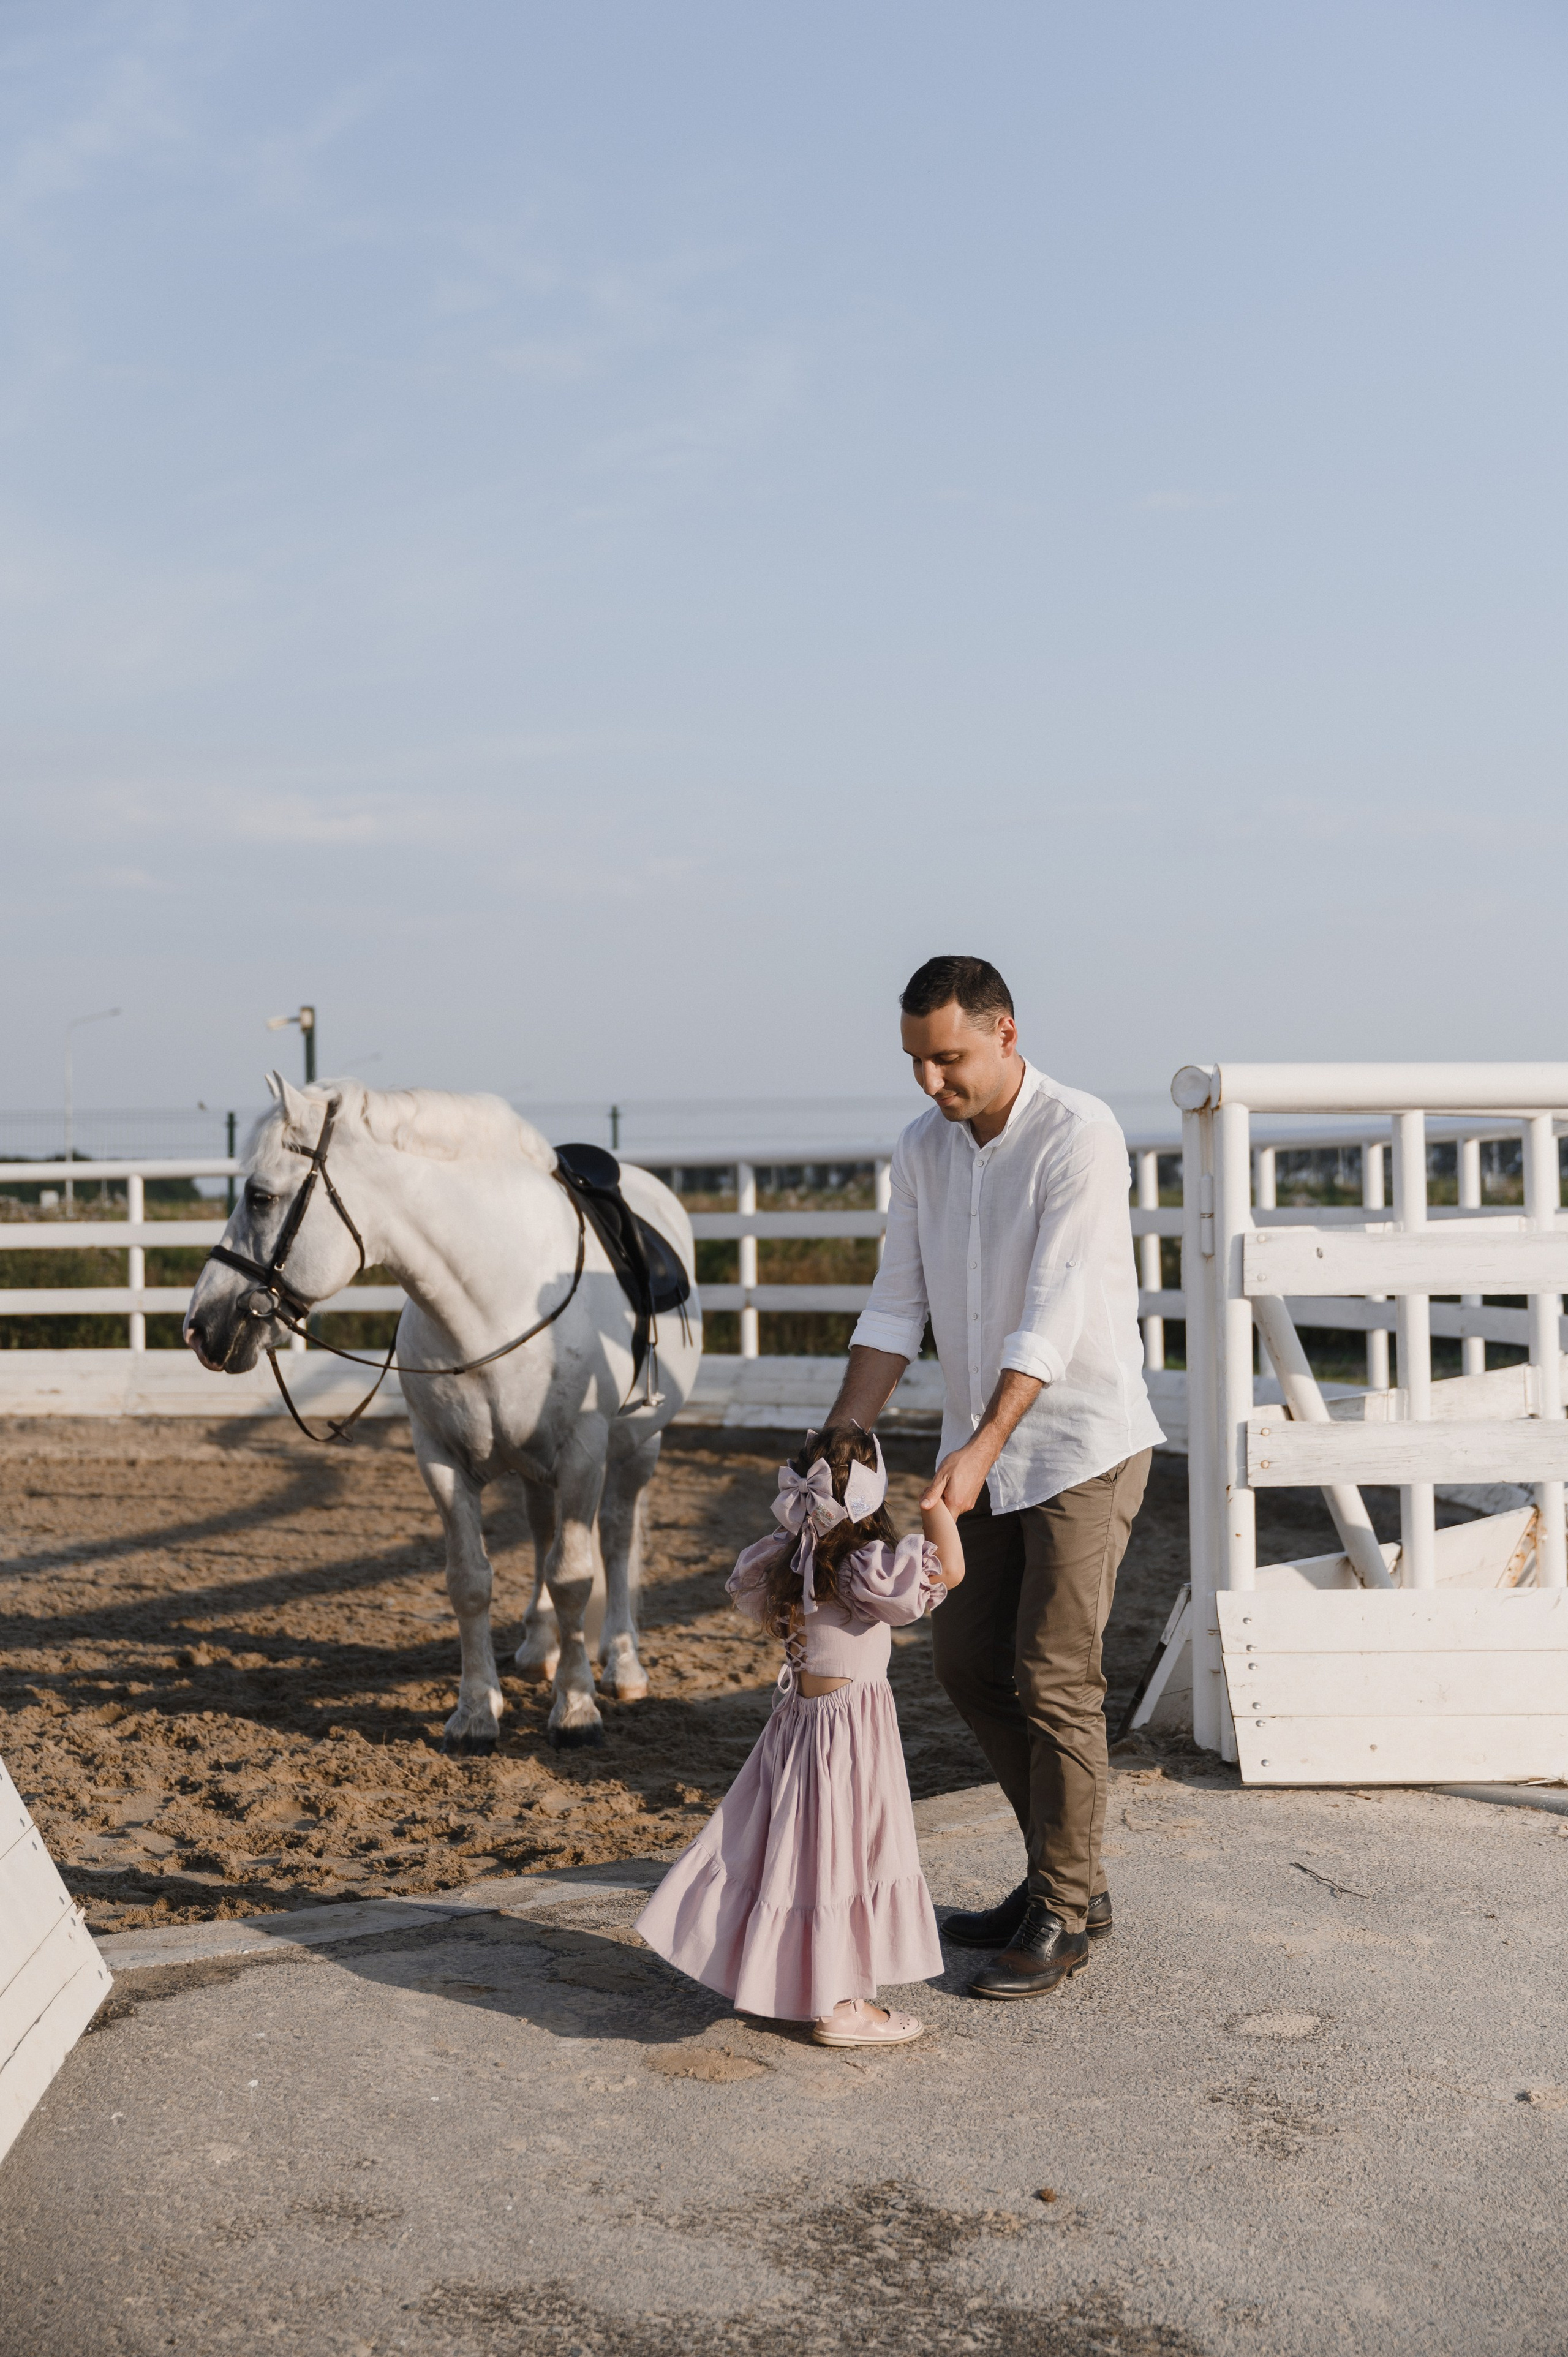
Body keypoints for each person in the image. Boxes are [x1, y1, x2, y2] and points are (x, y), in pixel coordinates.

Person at [820, 954, 1163, 2002]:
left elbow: (1054, 1307)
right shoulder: (923, 1148)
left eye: (949, 1058)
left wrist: (976, 1447)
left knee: (1054, 1674)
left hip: (1081, 1443)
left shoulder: (1080, 1133)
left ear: (1005, 1032)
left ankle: (1062, 1906)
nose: (932, 1082)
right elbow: (897, 1302)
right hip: (982, 1453)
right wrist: (843, 1428)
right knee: (968, 1663)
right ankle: (1071, 1876)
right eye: (917, 1062)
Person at [636, 1424, 965, 2046]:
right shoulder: (864, 1566)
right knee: (841, 1857)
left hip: (802, 1724)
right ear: (872, 1491)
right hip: (850, 1734)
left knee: (794, 1857)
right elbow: (948, 1570)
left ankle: (786, 1981)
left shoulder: (792, 1558)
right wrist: (936, 1507)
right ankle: (840, 2006)